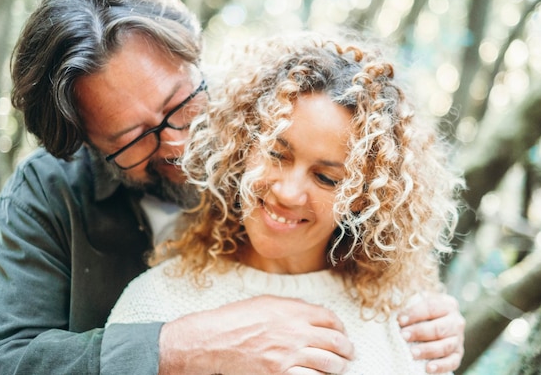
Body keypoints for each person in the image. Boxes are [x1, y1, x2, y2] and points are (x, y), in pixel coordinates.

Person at [0, 0, 464, 375]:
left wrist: (429, 315)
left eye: (178, 103)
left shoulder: (263, 118)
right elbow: (7, 360)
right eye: (132, 139)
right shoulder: (49, 192)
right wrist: (176, 349)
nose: (178, 142)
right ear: (88, 145)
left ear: (195, 58)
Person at [107, 31, 463, 374]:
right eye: (278, 154)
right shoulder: (158, 303)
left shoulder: (408, 324)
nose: (288, 193)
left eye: (327, 178)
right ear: (244, 147)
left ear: (364, 198)